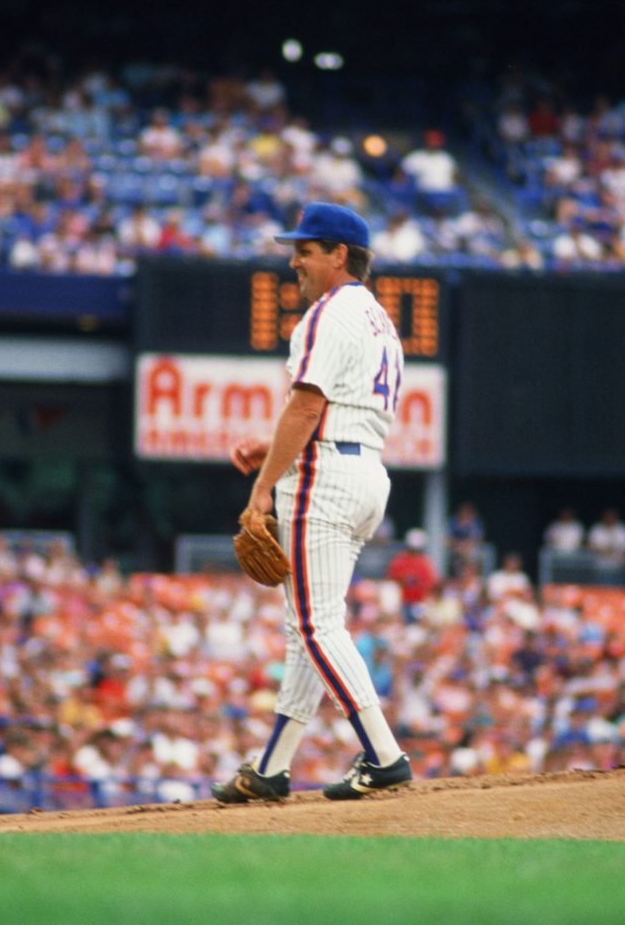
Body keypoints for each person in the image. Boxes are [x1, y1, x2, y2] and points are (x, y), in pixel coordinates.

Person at [214, 202, 412, 803]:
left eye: (306, 249)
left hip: (324, 476)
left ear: (340, 255)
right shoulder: (379, 319)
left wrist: (260, 490)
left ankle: (383, 754)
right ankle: (272, 767)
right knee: (308, 627)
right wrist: (272, 447)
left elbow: (305, 408)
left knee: (315, 624)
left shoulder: (328, 314)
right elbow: (329, 411)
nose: (294, 260)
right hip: (364, 471)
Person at [385, 528, 438, 624]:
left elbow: (431, 584)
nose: (414, 551)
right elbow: (391, 580)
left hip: (419, 603)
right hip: (401, 603)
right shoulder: (399, 561)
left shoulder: (425, 563)